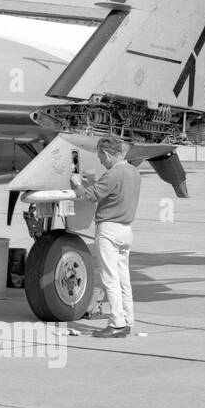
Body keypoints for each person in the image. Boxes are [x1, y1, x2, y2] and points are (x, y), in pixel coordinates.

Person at [70, 137, 141, 338]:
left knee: (110, 278)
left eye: (101, 156)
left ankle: (116, 323)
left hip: (109, 229)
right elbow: (112, 193)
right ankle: (127, 320)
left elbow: (88, 196)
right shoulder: (134, 173)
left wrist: (77, 183)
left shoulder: (112, 175)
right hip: (126, 230)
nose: (101, 161)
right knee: (124, 279)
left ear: (108, 154)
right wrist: (94, 182)